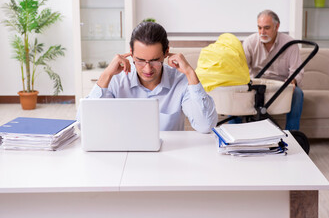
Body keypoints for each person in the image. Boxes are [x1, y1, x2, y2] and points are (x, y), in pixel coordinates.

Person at [81, 21, 217, 133]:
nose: (147, 69)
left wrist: (190, 73)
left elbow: (205, 126)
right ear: (131, 53)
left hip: (169, 156)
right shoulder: (117, 78)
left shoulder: (180, 80)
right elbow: (83, 124)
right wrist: (105, 75)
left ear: (166, 53)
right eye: (140, 60)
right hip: (124, 155)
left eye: (154, 61)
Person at [243, 10, 304, 130]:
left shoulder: (290, 44)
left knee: (297, 93)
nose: (262, 32)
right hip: (255, 85)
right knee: (234, 92)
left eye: (266, 28)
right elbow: (241, 67)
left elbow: (297, 72)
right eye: (259, 28)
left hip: (280, 87)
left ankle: (292, 136)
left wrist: (293, 81)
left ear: (277, 26)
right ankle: (234, 137)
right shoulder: (250, 42)